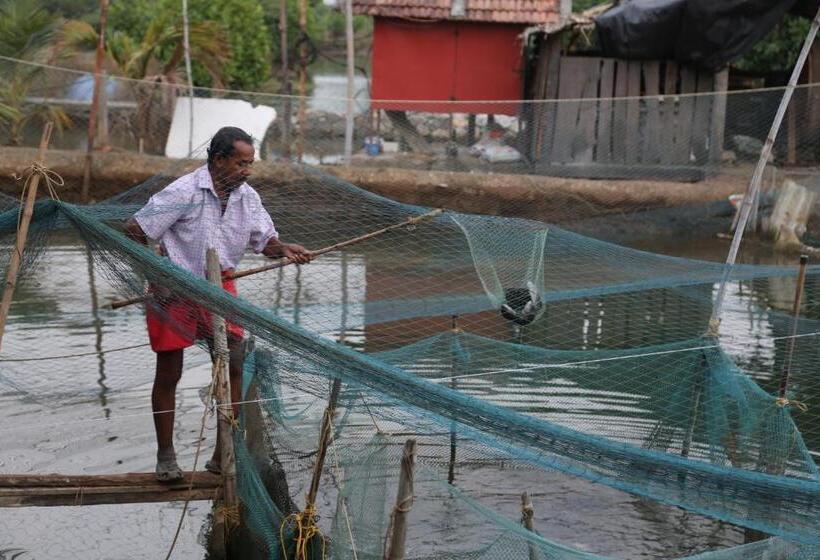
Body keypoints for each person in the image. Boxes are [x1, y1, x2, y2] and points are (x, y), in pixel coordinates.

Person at [125, 126, 311, 482]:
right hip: (175, 287)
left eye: (249, 164)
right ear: (219, 160)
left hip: (219, 287)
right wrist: (159, 269)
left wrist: (284, 248)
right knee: (170, 371)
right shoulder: (184, 191)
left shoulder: (247, 198)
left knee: (234, 360)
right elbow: (136, 229)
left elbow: (265, 241)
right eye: (240, 163)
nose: (247, 171)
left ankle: (220, 451)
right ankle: (166, 457)